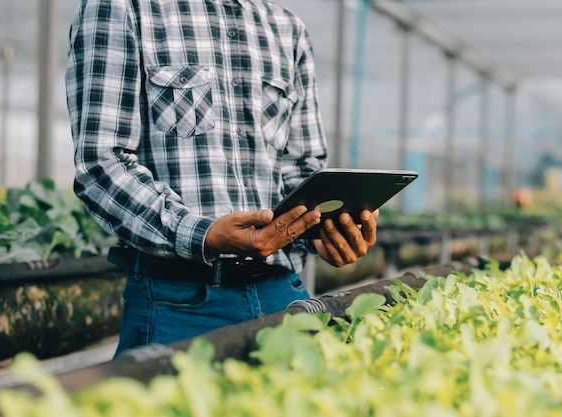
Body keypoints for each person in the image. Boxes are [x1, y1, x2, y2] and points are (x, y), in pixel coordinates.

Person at [65, 0, 379, 357]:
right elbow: (102, 163)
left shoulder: (287, 28)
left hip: (282, 296)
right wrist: (204, 235)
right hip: (177, 302)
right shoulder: (125, 9)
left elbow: (299, 165)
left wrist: (323, 230)